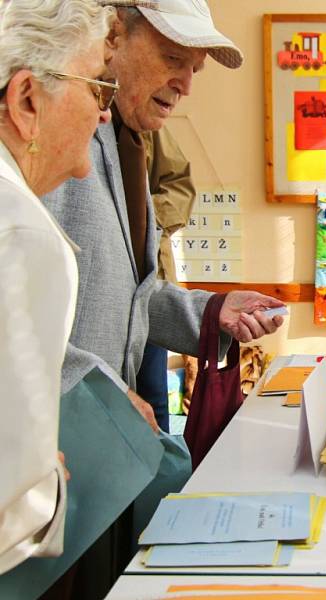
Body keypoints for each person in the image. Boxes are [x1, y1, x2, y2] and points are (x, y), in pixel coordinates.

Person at [43, 0, 285, 427]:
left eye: (196, 68)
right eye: (173, 58)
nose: (186, 86)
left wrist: (214, 312)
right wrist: (108, 399)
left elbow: (121, 294)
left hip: (97, 446)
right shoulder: (55, 131)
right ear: (113, 34)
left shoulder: (127, 141)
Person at [0, 0, 116, 574]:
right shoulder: (22, 231)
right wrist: (48, 483)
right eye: (98, 85)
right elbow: (9, 512)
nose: (104, 115)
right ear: (27, 101)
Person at [136, 126, 197, 431]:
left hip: (150, 283)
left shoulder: (145, 124)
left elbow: (180, 186)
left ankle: (160, 476)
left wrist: (144, 219)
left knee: (153, 395)